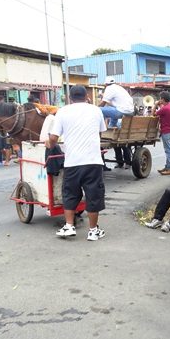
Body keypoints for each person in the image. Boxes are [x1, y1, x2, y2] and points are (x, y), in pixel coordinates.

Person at [48, 85, 107, 241]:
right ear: (86, 96)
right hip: (93, 161)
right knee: (93, 195)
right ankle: (93, 231)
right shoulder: (96, 110)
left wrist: (49, 144)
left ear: (70, 98)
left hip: (72, 162)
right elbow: (100, 132)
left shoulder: (63, 111)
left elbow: (53, 138)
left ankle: (69, 226)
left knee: (70, 194)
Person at [99, 78, 134, 169]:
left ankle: (100, 130)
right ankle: (121, 162)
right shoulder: (119, 88)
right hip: (128, 111)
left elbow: (103, 103)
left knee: (98, 110)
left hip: (121, 111)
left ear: (106, 84)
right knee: (116, 142)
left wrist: (95, 109)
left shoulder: (109, 88)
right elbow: (113, 105)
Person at [153, 91, 170, 175]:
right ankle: (168, 166)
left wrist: (155, 105)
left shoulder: (165, 108)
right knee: (168, 150)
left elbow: (153, 114)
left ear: (163, 99)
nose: (159, 100)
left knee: (168, 150)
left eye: (160, 99)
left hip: (166, 131)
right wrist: (160, 105)